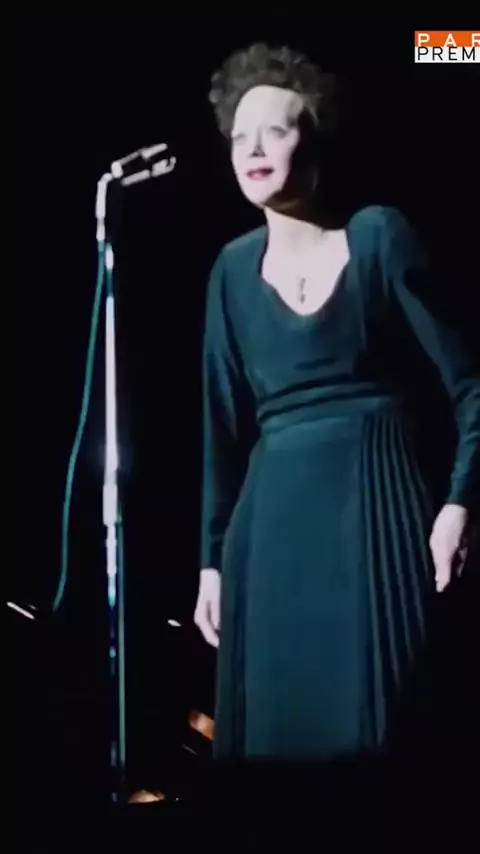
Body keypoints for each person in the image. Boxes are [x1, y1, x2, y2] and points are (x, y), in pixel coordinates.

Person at [193, 42, 479, 764]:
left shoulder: (377, 235)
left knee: (382, 745)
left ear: (314, 141)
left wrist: (460, 504)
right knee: (277, 756)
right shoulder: (230, 270)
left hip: (376, 510)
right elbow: (219, 430)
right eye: (240, 136)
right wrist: (211, 563)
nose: (253, 149)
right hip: (268, 538)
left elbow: (470, 385)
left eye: (276, 131)